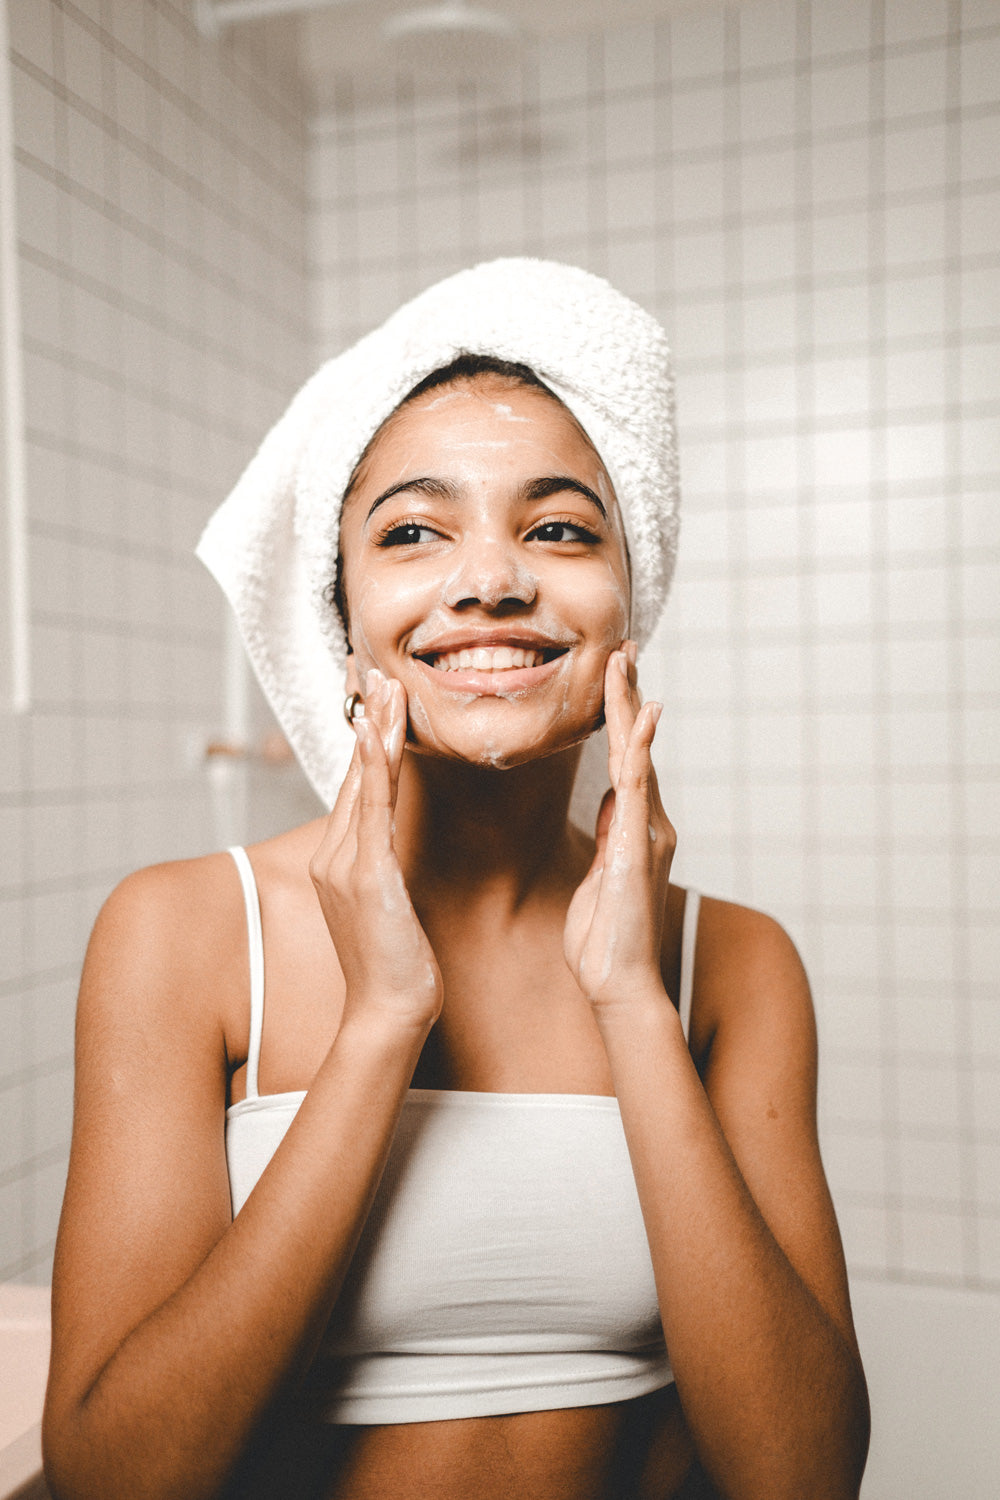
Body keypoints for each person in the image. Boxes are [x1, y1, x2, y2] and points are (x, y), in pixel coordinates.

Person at [42, 260, 869, 1500]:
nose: (489, 579)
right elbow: (115, 1479)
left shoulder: (733, 966)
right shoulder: (184, 934)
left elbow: (802, 1479)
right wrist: (380, 1023)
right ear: (345, 614)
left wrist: (633, 1004)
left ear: (627, 599)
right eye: (414, 532)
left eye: (557, 527)